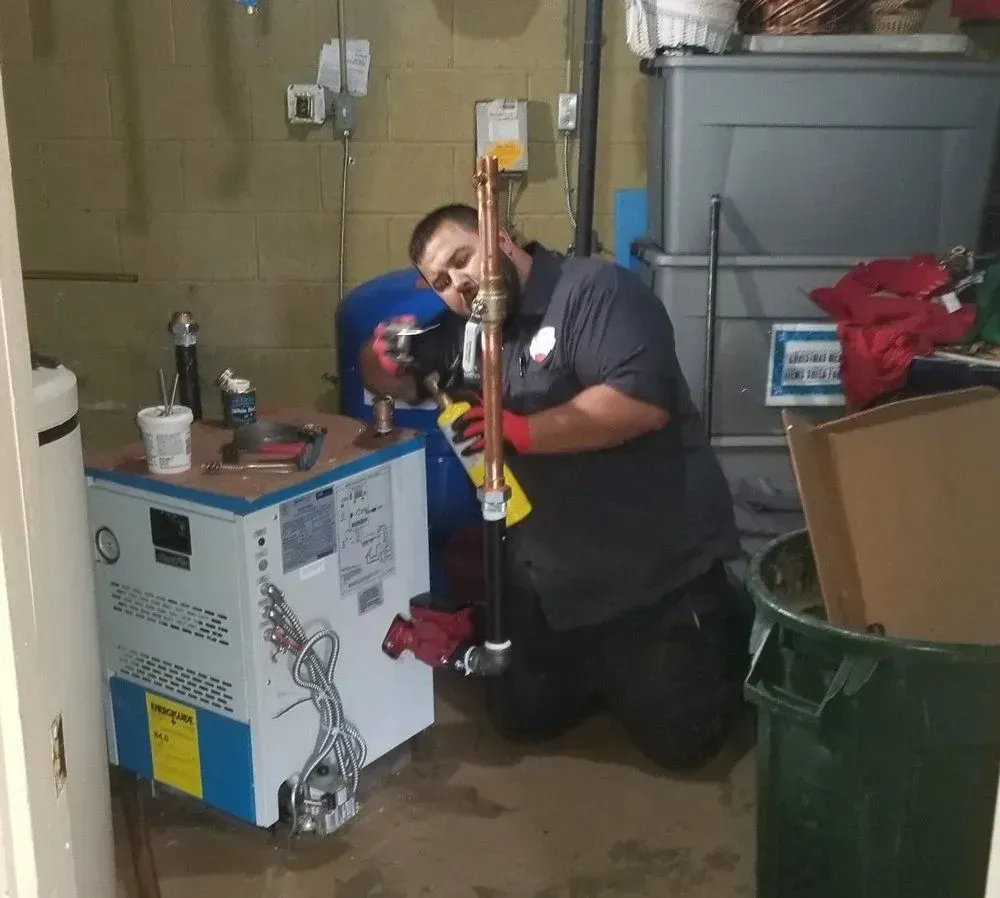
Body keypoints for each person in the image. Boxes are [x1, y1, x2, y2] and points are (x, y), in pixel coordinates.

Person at [359, 204, 750, 771]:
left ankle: (720, 622)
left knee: (684, 747)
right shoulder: (472, 331)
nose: (459, 283)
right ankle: (602, 671)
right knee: (520, 721)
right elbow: (387, 380)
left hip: (651, 574)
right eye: (441, 281)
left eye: (463, 260)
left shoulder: (595, 294)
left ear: (499, 235)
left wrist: (515, 430)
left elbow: (638, 406)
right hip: (554, 582)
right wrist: (380, 358)